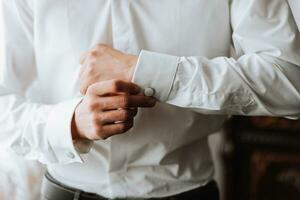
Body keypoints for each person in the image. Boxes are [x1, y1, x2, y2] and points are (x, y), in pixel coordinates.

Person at [0, 0, 299, 200]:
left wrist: (147, 71)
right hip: (66, 190)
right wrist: (69, 124)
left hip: (185, 191)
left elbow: (289, 81)